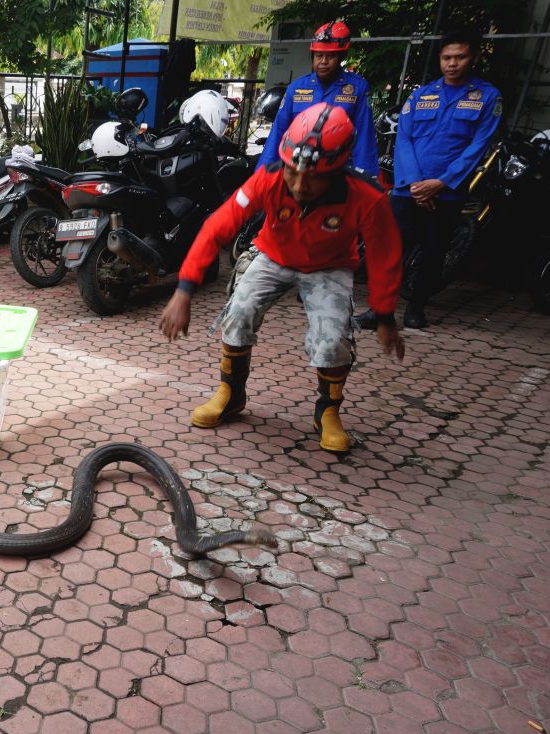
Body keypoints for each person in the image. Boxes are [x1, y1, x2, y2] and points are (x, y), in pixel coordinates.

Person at [158, 103, 406, 454]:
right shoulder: (270, 177)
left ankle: (329, 412)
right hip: (272, 255)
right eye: (293, 172)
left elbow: (385, 257)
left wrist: (384, 314)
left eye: (314, 176)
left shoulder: (367, 196)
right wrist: (184, 291)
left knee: (333, 339)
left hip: (329, 265)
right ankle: (230, 394)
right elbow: (217, 227)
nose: (300, 185)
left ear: (338, 170)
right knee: (238, 314)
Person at [357, 30, 502, 330]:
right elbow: (404, 140)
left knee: (433, 253)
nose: (452, 64)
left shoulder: (487, 98)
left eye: (459, 57)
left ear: (472, 58)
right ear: (440, 59)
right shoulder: (422, 95)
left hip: (447, 194)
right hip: (407, 190)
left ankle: (416, 307)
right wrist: (413, 182)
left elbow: (478, 147)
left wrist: (441, 183)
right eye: (447, 57)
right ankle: (379, 309)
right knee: (390, 249)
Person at [257, 21, 379, 177]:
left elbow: (364, 138)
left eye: (330, 56)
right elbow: (278, 133)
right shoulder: (296, 88)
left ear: (342, 56)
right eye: (319, 55)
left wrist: (366, 179)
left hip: (337, 173)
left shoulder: (357, 89)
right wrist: (262, 175)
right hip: (297, 171)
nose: (323, 61)